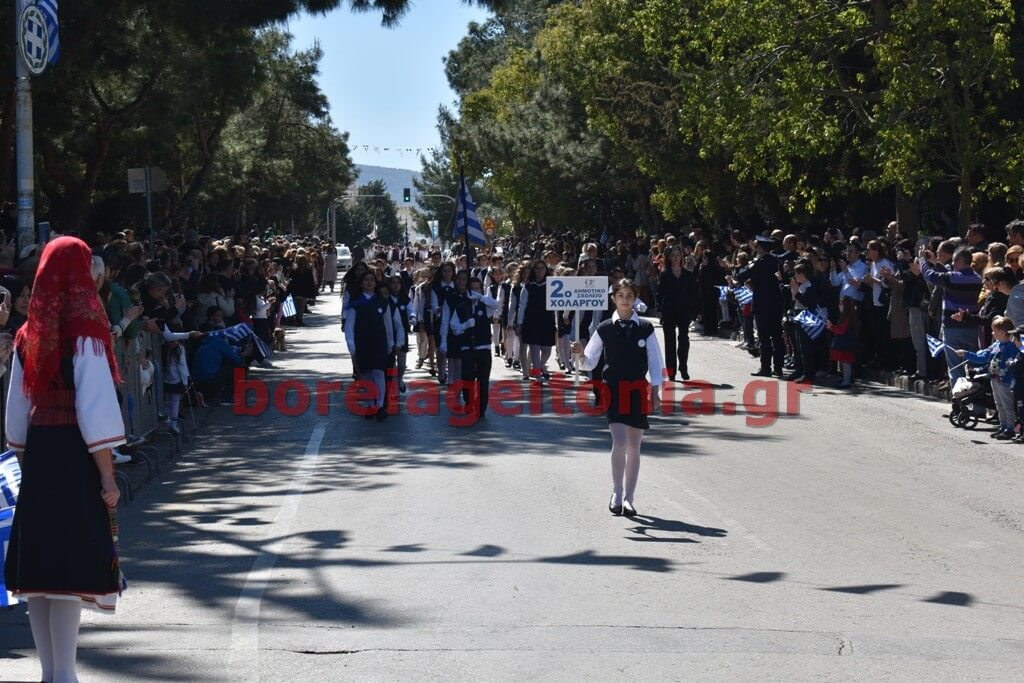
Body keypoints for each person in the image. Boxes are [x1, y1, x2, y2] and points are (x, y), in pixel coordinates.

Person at [5, 237, 127, 683]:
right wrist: (108, 477)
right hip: (74, 454)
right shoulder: (86, 336)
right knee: (67, 572)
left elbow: (16, 414)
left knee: (40, 573)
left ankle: (50, 673)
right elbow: (95, 412)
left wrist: (28, 458)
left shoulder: (27, 335)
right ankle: (66, 675)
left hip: (39, 451)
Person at [571, 279, 664, 518]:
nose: (625, 300)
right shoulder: (604, 328)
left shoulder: (645, 327)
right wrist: (580, 355)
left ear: (635, 298)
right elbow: (590, 361)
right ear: (613, 298)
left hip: (637, 389)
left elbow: (655, 361)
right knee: (620, 442)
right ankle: (617, 492)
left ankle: (630, 498)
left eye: (629, 295)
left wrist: (656, 391)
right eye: (620, 295)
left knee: (634, 446)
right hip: (613, 389)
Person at [344, 270, 398, 421]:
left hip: (379, 342)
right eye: (366, 280)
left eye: (372, 280)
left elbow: (388, 324)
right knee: (367, 374)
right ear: (361, 283)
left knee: (379, 372)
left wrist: (390, 342)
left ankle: (380, 406)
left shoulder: (382, 302)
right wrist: (350, 343)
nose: (369, 282)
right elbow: (349, 326)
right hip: (362, 342)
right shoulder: (355, 303)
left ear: (375, 284)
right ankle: (371, 405)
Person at [955, 316, 1019, 439]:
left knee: (1007, 406)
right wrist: (967, 354)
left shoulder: (1012, 347)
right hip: (994, 380)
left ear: (1002, 332)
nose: (992, 333)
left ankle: (1010, 429)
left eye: (994, 331)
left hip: (1006, 381)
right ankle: (1003, 427)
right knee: (999, 405)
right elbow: (982, 357)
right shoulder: (995, 345)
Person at [733, 235, 785, 377]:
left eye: (757, 247)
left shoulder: (758, 262)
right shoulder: (777, 261)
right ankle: (779, 367)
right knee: (777, 336)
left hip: (762, 303)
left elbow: (741, 275)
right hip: (776, 303)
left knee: (764, 337)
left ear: (760, 248)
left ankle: (765, 367)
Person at [450, 276, 499, 422]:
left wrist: (480, 297)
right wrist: (466, 325)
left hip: (483, 348)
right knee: (468, 378)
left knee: (483, 380)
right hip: (467, 348)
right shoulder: (460, 307)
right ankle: (469, 403)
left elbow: (496, 304)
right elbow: (454, 328)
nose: (474, 292)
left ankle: (481, 408)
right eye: (472, 289)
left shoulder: (485, 306)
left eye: (477, 289)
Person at [657, 246, 696, 381]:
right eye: (673, 255)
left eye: (678, 255)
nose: (675, 258)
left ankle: (683, 367)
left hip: (684, 311)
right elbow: (660, 294)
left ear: (681, 257)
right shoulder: (665, 274)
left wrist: (695, 311)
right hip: (668, 310)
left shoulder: (688, 274)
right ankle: (671, 372)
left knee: (684, 340)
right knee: (670, 342)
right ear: (669, 258)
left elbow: (693, 294)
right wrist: (659, 310)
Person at [517, 260, 557, 381]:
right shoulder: (528, 286)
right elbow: (522, 305)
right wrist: (519, 323)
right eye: (537, 268)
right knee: (534, 349)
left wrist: (557, 321)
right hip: (532, 320)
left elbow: (557, 304)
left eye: (542, 268)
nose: (540, 271)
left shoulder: (552, 284)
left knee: (547, 350)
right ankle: (537, 375)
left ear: (546, 270)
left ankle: (541, 365)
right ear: (533, 270)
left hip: (547, 320)